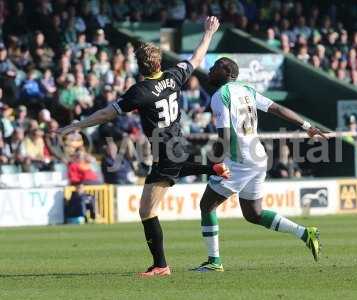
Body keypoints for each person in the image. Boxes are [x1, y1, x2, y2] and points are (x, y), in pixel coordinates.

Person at [58, 17, 228, 277]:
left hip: (164, 151)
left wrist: (76, 125)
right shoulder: (174, 77)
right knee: (177, 168)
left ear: (140, 67)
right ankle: (212, 168)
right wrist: (208, 33)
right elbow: (196, 57)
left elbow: (106, 114)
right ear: (160, 63)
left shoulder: (140, 91)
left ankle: (161, 265)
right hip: (178, 145)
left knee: (147, 210)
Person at [192, 57, 327, 272]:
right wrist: (307, 125)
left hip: (240, 160)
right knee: (253, 214)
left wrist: (215, 163)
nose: (209, 69)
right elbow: (277, 109)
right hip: (257, 158)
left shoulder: (220, 96)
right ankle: (305, 233)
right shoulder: (246, 89)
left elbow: (224, 137)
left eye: (215, 66)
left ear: (227, 72)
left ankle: (214, 262)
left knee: (207, 205)